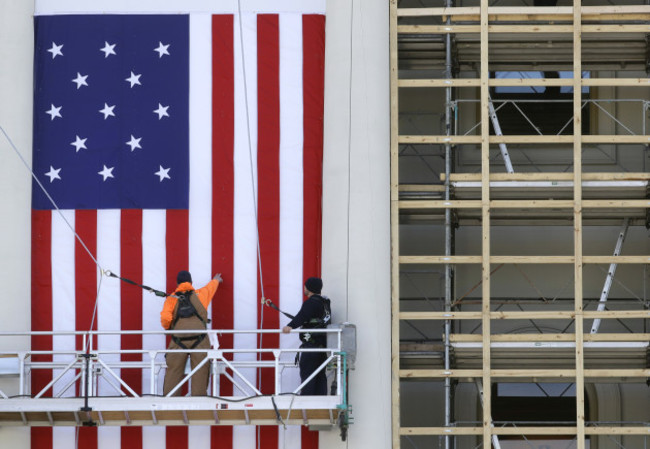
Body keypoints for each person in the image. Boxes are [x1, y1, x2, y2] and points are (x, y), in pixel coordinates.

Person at [161, 270, 222, 396]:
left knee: (173, 371)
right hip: (199, 340)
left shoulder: (171, 298)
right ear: (191, 282)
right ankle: (198, 403)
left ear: (177, 283)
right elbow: (211, 286)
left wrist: (169, 328)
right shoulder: (201, 294)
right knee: (200, 371)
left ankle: (169, 402)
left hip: (178, 341)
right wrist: (216, 280)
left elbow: (165, 319)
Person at [282, 277, 331, 395]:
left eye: (305, 286)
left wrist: (290, 326)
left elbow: (302, 316)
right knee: (320, 377)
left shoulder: (312, 302)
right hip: (322, 348)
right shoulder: (325, 304)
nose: (304, 288)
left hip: (311, 347)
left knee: (308, 378)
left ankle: (307, 406)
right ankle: (321, 406)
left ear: (309, 288)